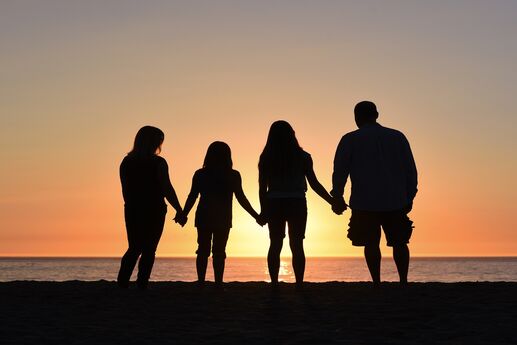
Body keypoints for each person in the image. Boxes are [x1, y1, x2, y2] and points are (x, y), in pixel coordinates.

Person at [331, 101, 418, 286]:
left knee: (371, 243)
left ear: (356, 117)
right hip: (395, 198)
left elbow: (340, 171)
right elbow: (410, 169)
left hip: (365, 200)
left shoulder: (350, 139)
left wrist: (337, 195)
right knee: (400, 242)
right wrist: (410, 195)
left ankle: (377, 282)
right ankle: (403, 280)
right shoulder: (397, 137)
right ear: (376, 114)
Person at [259, 121, 335, 288]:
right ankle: (299, 283)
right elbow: (314, 184)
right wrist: (332, 201)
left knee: (275, 243)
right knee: (297, 244)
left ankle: (274, 283)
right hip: (297, 201)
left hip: (274, 202)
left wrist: (263, 210)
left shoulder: (266, 157)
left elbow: (262, 187)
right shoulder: (303, 156)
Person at [178, 141, 262, 287]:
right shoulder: (233, 175)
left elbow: (192, 196)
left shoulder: (200, 174)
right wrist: (256, 216)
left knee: (202, 250)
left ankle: (201, 282)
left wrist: (184, 214)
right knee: (219, 251)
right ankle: (218, 283)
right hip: (223, 218)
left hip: (204, 216)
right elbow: (241, 198)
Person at [117, 126, 183, 289]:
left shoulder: (127, 162)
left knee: (134, 247)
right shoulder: (158, 162)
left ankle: (123, 282)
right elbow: (166, 187)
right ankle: (141, 283)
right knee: (149, 248)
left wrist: (131, 205)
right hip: (154, 209)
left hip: (133, 209)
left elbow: (125, 189)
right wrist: (179, 209)